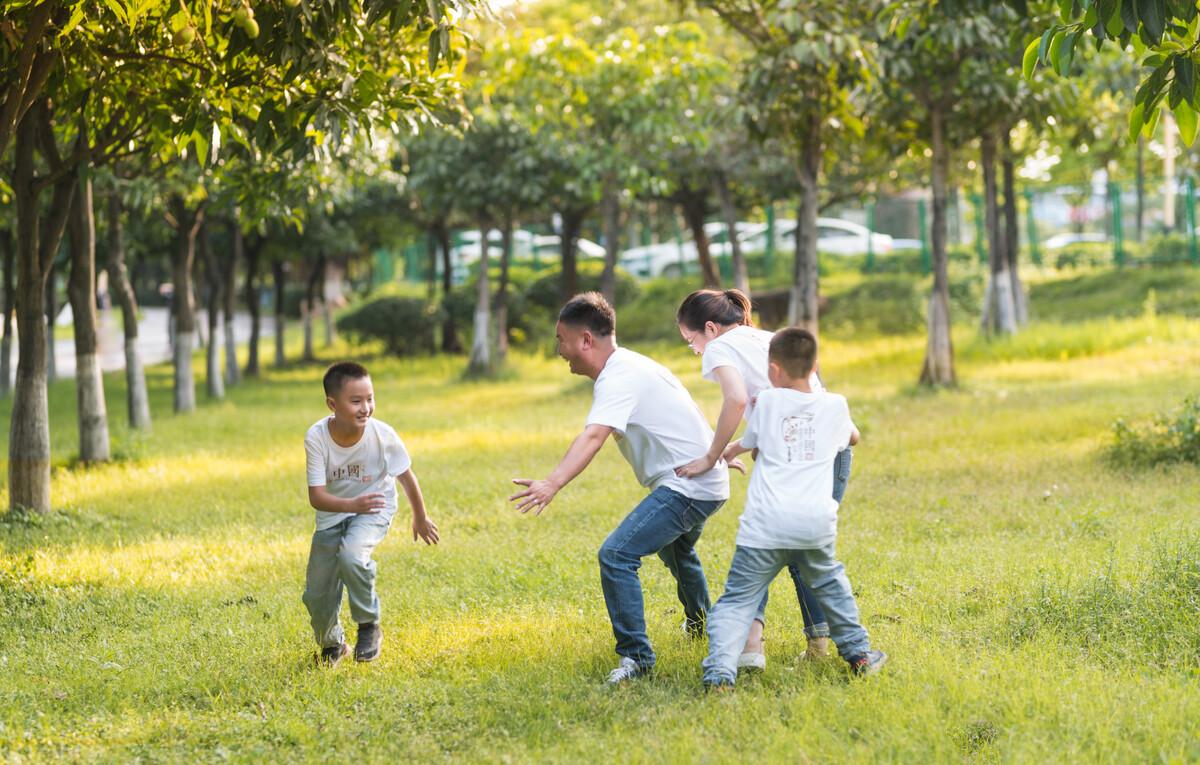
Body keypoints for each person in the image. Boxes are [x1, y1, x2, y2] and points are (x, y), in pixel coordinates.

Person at [510, 292, 734, 684]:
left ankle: (637, 659)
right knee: (678, 551)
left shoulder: (619, 376)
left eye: (560, 340)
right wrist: (714, 455)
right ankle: (702, 626)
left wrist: (552, 482)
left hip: (688, 486)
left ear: (585, 340)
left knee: (616, 555)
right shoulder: (631, 365)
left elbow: (594, 436)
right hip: (704, 482)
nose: (559, 350)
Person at [675, 288, 852, 669]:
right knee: (803, 548)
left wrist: (710, 455)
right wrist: (738, 447)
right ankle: (817, 647)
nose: (695, 351)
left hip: (800, 460)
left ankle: (753, 647)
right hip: (829, 454)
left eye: (692, 342)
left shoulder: (722, 347)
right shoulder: (768, 338)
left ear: (710, 328)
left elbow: (736, 400)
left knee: (770, 543)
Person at [701, 328, 886, 689]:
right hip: (814, 524)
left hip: (764, 526)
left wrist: (731, 449)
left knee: (737, 601)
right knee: (833, 590)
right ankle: (860, 655)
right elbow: (852, 437)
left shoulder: (767, 403)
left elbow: (752, 441)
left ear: (773, 370)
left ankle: (720, 675)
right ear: (815, 366)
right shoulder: (835, 405)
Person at [302, 361, 440, 666]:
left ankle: (368, 626)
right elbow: (317, 497)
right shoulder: (316, 437)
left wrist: (419, 516)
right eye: (356, 401)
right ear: (332, 404)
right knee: (316, 595)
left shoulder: (382, 435)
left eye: (370, 398)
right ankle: (333, 645)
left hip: (375, 509)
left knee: (352, 555)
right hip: (333, 515)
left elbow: (406, 476)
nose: (366, 408)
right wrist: (351, 505)